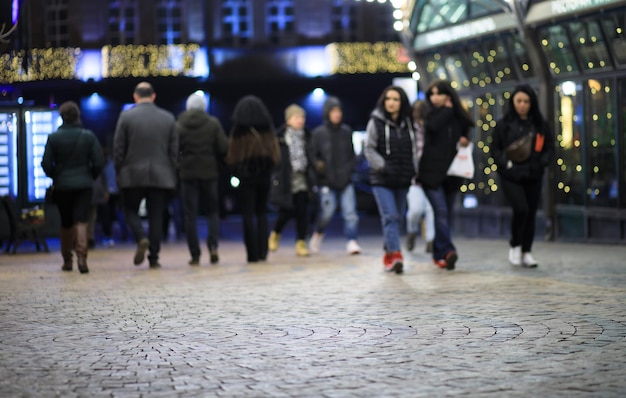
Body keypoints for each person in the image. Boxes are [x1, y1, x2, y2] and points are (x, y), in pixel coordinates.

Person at [113, 81, 178, 269]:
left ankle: (141, 236)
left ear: (135, 96)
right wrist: (172, 172)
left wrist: (120, 171)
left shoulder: (125, 117)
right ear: (153, 96)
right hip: (161, 174)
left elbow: (118, 149)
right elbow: (174, 151)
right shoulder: (167, 118)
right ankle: (154, 257)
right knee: (156, 215)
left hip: (132, 174)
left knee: (129, 209)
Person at [491, 84, 554, 267]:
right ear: (513, 102)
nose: (522, 105)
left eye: (526, 101)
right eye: (519, 101)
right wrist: (507, 165)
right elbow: (494, 149)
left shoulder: (539, 125)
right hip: (511, 175)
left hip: (533, 174)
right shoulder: (504, 124)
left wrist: (541, 163)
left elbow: (549, 148)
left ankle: (527, 251)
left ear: (532, 103)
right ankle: (515, 245)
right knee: (521, 209)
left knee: (531, 213)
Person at [42, 101, 105, 274]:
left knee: (66, 221)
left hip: (62, 186)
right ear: (78, 116)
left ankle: (67, 260)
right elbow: (99, 161)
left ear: (62, 117)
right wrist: (90, 175)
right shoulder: (88, 136)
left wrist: (56, 175)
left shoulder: (53, 138)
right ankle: (82, 259)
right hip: (84, 185)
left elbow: (46, 164)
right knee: (81, 219)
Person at [418, 79, 474, 271]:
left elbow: (468, 127)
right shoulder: (429, 113)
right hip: (430, 175)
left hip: (452, 174)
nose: (434, 98)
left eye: (438, 93)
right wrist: (448, 111)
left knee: (446, 214)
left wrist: (466, 139)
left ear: (448, 95)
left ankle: (438, 253)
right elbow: (432, 127)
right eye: (431, 94)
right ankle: (449, 251)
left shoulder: (458, 116)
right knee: (441, 211)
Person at [364, 86, 418, 274]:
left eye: (395, 99)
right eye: (388, 99)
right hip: (382, 179)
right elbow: (368, 149)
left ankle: (388, 251)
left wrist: (415, 170)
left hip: (403, 178)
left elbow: (415, 150)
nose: (391, 102)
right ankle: (395, 254)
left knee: (398, 218)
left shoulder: (410, 123)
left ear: (401, 102)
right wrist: (383, 166)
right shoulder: (376, 122)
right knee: (390, 216)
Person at [225, 95, 280, 263]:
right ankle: (263, 251)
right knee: (262, 212)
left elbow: (232, 157)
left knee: (247, 214)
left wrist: (236, 171)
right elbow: (275, 154)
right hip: (264, 175)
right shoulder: (267, 129)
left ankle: (252, 253)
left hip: (245, 176)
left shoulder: (238, 131)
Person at [177, 92, 228, 266]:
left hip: (188, 174)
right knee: (212, 211)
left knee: (190, 215)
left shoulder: (179, 124)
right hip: (209, 173)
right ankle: (213, 246)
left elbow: (174, 148)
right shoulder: (213, 123)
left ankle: (195, 254)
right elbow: (223, 147)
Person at [309, 96, 362, 255]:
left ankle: (352, 240)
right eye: (333, 111)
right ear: (327, 113)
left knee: (350, 212)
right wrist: (320, 171)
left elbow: (352, 155)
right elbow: (313, 156)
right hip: (326, 181)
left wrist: (349, 171)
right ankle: (317, 235)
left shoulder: (346, 131)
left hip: (346, 179)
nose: (337, 114)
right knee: (327, 212)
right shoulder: (319, 133)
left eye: (339, 111)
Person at [268, 104, 313, 257]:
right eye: (296, 117)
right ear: (288, 120)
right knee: (286, 211)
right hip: (286, 179)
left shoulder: (307, 136)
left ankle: (301, 243)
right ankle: (276, 233)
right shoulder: (280, 137)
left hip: (302, 178)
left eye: (302, 117)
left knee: (302, 212)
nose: (300, 120)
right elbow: (273, 159)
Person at [406, 100, 434, 253]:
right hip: (414, 177)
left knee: (431, 211)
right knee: (415, 210)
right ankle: (411, 231)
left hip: (431, 176)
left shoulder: (431, 129)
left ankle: (430, 240)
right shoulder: (410, 129)